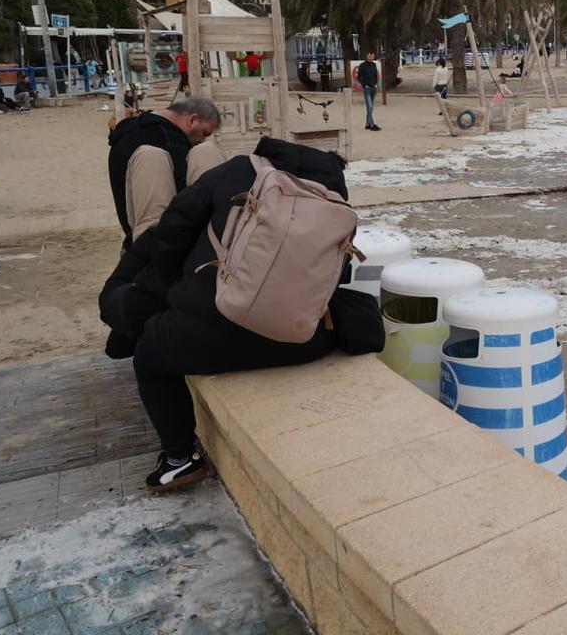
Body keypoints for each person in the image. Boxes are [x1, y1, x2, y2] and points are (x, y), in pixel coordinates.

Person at [98, 137, 384, 491]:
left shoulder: (234, 171)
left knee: (149, 354)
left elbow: (170, 238)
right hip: (301, 340)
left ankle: (179, 459)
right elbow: (337, 276)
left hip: (212, 335)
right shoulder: (333, 199)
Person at [107, 97, 223, 250]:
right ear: (192, 120)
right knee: (206, 152)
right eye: (204, 132)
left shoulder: (125, 135)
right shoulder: (170, 141)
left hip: (134, 240)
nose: (200, 140)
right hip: (168, 245)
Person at [357, 51, 380, 131]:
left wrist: (376, 84)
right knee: (370, 106)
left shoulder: (374, 65)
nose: (371, 58)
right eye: (370, 56)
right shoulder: (362, 65)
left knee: (370, 108)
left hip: (373, 87)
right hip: (367, 88)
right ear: (367, 56)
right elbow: (359, 77)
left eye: (373, 57)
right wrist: (364, 85)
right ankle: (372, 124)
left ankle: (367, 124)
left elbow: (375, 75)